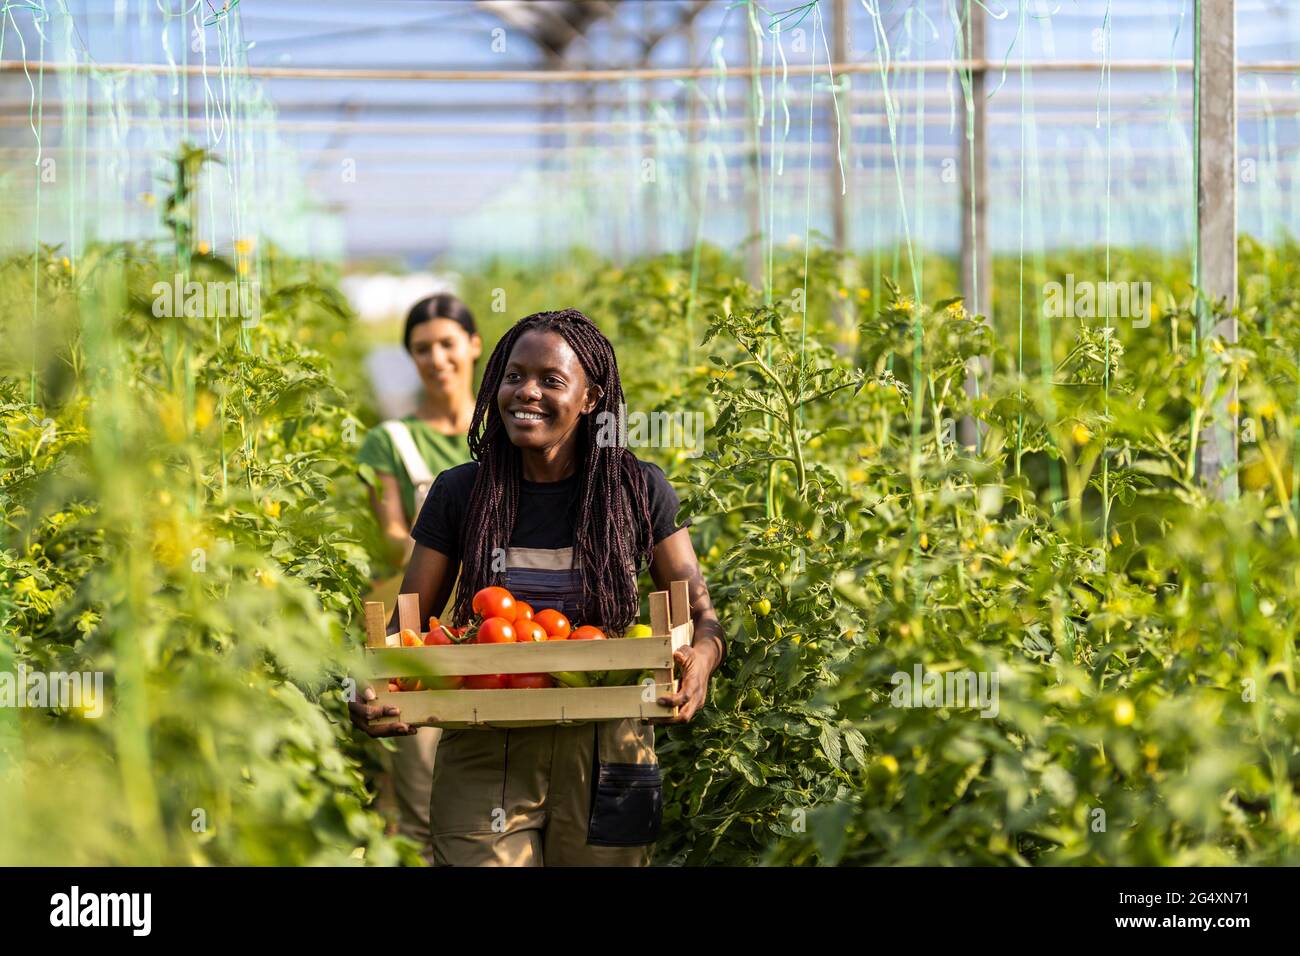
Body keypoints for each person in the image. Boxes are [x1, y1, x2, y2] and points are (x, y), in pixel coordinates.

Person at [349, 308, 725, 866]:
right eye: (513, 376)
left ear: (592, 398)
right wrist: (371, 685)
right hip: (484, 742)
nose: (526, 393)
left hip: (609, 747)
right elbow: (407, 626)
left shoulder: (637, 490)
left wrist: (702, 658)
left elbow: (699, 610)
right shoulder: (460, 493)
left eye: (551, 380)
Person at [355, 292, 481, 863]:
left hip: (497, 630)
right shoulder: (392, 441)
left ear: (474, 346)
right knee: (421, 782)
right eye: (422, 349)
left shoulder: (506, 432)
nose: (437, 359)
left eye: (447, 344)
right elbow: (390, 535)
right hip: (422, 634)